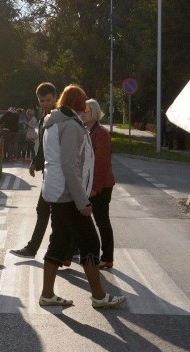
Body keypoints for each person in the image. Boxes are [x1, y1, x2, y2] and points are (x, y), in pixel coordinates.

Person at [38, 84, 126, 309]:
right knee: (90, 242)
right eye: (84, 102)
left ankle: (47, 294)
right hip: (68, 195)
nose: (86, 108)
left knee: (59, 242)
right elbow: (70, 166)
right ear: (79, 103)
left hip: (56, 191)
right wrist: (83, 201)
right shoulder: (71, 125)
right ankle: (98, 296)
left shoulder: (52, 122)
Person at [11, 82, 58, 259]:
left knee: (52, 212)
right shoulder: (44, 117)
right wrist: (34, 163)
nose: (45, 103)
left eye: (48, 100)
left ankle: (41, 249)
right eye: (41, 100)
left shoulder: (57, 118)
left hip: (57, 173)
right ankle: (67, 249)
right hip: (49, 172)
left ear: (55, 98)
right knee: (46, 211)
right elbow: (42, 147)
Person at [83, 98, 116, 270]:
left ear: (94, 113)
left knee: (102, 221)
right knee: (86, 219)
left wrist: (95, 187)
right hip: (91, 185)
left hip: (101, 186)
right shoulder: (87, 131)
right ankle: (81, 252)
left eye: (86, 111)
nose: (82, 113)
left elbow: (101, 163)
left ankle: (107, 257)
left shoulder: (101, 133)